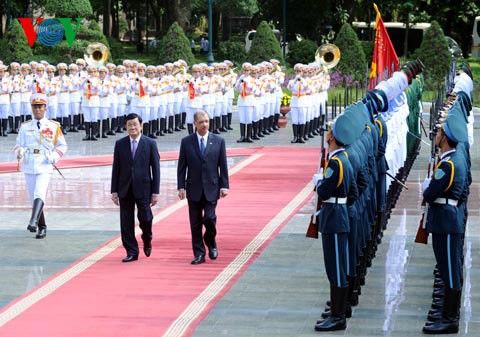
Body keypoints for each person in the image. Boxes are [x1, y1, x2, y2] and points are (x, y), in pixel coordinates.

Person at [421, 113, 468, 334]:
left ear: (446, 137)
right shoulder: (451, 159)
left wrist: (427, 186)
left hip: (446, 222)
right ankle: (448, 315)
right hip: (448, 219)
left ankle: (449, 319)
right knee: (449, 269)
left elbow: (430, 194)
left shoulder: (447, 165)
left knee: (449, 270)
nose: (436, 135)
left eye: (439, 132)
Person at [312, 113, 358, 332]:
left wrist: (319, 182)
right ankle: (336, 313)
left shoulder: (336, 163)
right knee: (335, 265)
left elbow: (323, 190)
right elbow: (355, 192)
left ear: (333, 137)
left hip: (334, 217)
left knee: (336, 267)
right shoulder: (344, 160)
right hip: (338, 215)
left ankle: (338, 316)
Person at [177, 110, 229, 265]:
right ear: (195, 124)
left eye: (206, 121)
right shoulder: (187, 142)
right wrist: (181, 186)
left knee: (209, 218)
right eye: (201, 122)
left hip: (212, 188)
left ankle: (210, 241)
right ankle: (199, 253)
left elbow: (223, 165)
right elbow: (182, 166)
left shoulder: (218, 141)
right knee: (195, 223)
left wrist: (225, 185)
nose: (205, 125)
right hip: (193, 188)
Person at [15, 93, 68, 239]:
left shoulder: (53, 126)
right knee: (34, 196)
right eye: (35, 107)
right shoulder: (25, 126)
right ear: (32, 108)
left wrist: (54, 156)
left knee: (40, 192)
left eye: (40, 107)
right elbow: (19, 144)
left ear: (45, 108)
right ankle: (42, 226)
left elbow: (62, 146)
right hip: (29, 162)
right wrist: (19, 152)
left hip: (44, 163)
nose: (37, 110)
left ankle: (33, 221)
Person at [111, 113, 161, 263]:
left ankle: (147, 237)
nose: (132, 127)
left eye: (135, 124)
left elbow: (156, 169)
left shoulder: (150, 143)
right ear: (125, 127)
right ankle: (132, 251)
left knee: (146, 218)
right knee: (126, 222)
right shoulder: (120, 144)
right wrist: (114, 190)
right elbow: (116, 168)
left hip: (144, 187)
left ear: (141, 126)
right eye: (129, 125)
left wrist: (155, 192)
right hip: (124, 188)